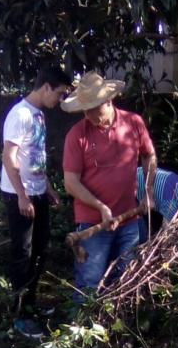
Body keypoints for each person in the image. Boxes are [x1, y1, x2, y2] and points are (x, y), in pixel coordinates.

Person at [62, 72, 157, 301]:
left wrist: (148, 192)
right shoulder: (77, 135)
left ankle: (120, 331)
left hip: (130, 220)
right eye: (85, 109)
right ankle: (84, 333)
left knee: (128, 280)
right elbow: (70, 183)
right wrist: (100, 207)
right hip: (93, 224)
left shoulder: (134, 123)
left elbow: (149, 156)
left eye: (94, 108)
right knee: (90, 284)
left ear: (108, 101)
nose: (89, 114)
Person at [0, 66, 74, 339]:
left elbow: (36, 158)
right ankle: (21, 316)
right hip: (20, 194)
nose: (60, 100)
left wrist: (49, 187)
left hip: (37, 191)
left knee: (40, 250)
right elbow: (9, 158)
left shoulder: (39, 115)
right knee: (23, 253)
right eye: (60, 93)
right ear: (46, 87)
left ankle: (31, 305)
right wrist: (22, 195)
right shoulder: (19, 115)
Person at [135, 166, 178, 243]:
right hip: (131, 187)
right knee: (142, 236)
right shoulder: (169, 203)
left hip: (138, 174)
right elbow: (169, 231)